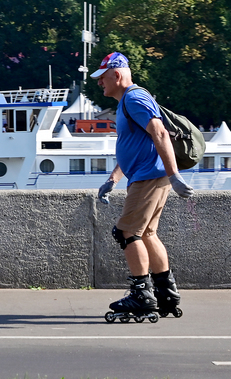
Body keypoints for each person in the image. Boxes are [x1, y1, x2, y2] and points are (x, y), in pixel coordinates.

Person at [93, 52, 193, 320]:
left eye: (102, 78)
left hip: (149, 177)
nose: (99, 83)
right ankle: (166, 293)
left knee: (126, 233)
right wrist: (113, 179)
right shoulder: (129, 100)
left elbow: (159, 132)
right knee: (147, 233)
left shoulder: (134, 98)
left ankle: (142, 294)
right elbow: (135, 148)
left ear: (116, 75)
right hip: (148, 176)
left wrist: (174, 175)